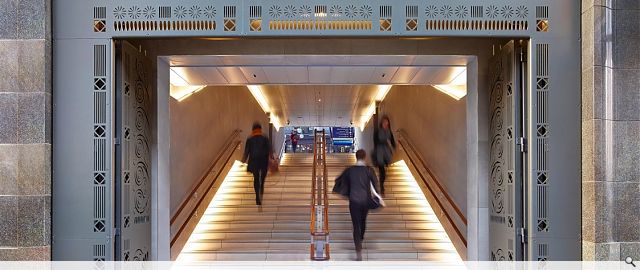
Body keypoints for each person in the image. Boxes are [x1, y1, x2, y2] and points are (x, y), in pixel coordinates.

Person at [333, 149, 380, 261]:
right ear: (365, 157)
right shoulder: (369, 170)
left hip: (354, 201)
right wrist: (378, 197)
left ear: (356, 157)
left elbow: (338, 180)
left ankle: (358, 248)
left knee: (356, 225)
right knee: (363, 221)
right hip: (365, 200)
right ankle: (361, 238)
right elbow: (375, 184)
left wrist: (346, 192)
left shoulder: (350, 170)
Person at [243, 122, 271, 205]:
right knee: (262, 175)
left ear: (253, 129)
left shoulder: (250, 139)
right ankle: (262, 184)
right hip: (263, 160)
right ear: (260, 129)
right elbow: (269, 148)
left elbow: (247, 151)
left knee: (256, 178)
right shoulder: (265, 138)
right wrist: (271, 156)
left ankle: (257, 197)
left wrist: (244, 160)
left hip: (254, 161)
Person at [373, 115, 396, 195]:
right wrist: (384, 142)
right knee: (382, 170)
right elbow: (375, 142)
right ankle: (382, 187)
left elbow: (392, 141)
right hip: (379, 153)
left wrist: (394, 147)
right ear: (381, 123)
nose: (385, 124)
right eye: (384, 122)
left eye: (387, 122)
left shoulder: (389, 132)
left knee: (384, 172)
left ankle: (381, 184)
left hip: (387, 153)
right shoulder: (377, 131)